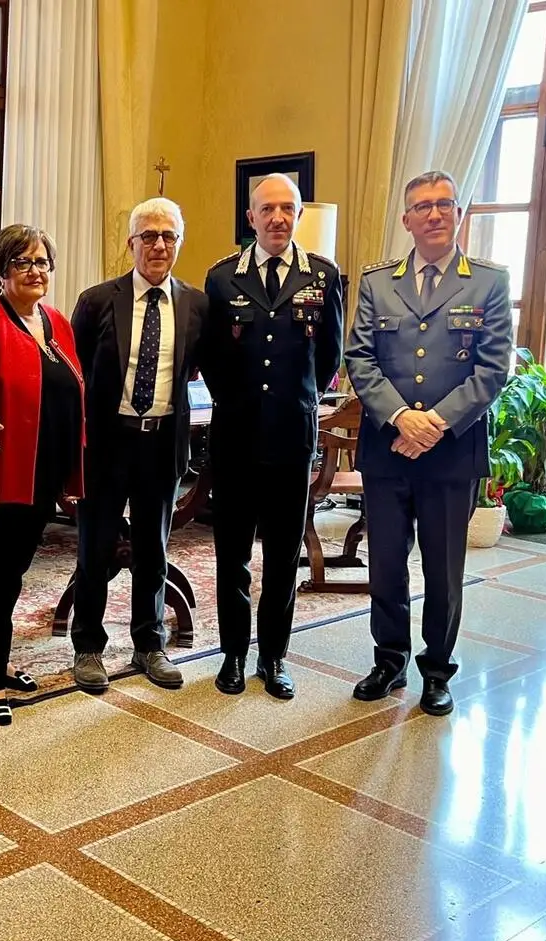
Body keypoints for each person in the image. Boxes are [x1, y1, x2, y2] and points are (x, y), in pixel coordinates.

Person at [345, 170, 511, 716]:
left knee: (443, 570)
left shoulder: (487, 282)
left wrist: (433, 423)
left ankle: (437, 670)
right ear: (407, 219)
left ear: (458, 214)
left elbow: (492, 369)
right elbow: (360, 358)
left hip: (451, 453)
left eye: (444, 204)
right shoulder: (378, 282)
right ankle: (388, 660)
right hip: (387, 450)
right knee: (386, 564)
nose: (434, 214)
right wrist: (400, 418)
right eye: (423, 206)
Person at [201, 173, 344, 700]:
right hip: (235, 437)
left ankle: (274, 656)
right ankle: (234, 654)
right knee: (232, 552)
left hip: (291, 437)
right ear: (251, 217)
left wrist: (294, 399)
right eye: (268, 209)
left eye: (287, 208)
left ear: (298, 215)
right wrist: (240, 401)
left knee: (283, 554)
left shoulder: (323, 276)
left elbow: (328, 357)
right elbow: (213, 356)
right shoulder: (222, 278)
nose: (278, 218)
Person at [0, 225, 84, 725]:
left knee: (12, 575)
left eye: (42, 262)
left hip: (39, 474)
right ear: (1, 270)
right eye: (22, 262)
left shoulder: (56, 322)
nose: (34, 271)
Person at [69, 198, 206, 693]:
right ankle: (87, 646)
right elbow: (74, 374)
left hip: (162, 445)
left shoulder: (196, 305)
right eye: (148, 235)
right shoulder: (96, 301)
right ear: (131, 243)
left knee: (153, 549)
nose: (159, 245)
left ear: (179, 243)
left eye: (168, 236)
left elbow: (201, 368)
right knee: (96, 548)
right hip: (106, 444)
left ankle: (150, 643)